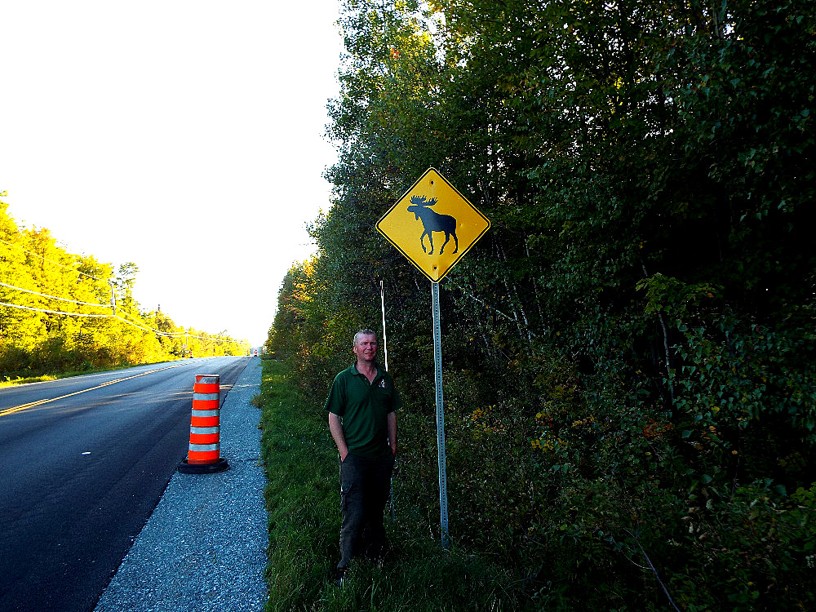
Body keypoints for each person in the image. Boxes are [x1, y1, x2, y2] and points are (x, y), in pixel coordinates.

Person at [325, 329, 399, 584]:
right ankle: (345, 566)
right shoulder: (344, 379)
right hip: (355, 458)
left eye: (373, 343)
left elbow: (391, 413)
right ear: (355, 349)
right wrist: (344, 452)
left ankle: (376, 557)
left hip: (381, 458)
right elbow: (333, 416)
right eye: (364, 344)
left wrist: (392, 447)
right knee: (354, 511)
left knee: (376, 511)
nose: (369, 347)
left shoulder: (385, 379)